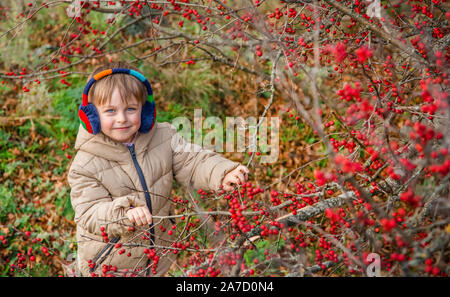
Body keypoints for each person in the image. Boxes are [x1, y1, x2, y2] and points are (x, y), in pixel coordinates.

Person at [68, 61, 249, 277]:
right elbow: (90, 213)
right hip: (109, 264)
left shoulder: (163, 137)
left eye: (131, 109)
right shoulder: (85, 164)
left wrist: (222, 171)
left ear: (145, 111)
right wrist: (124, 213)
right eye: (110, 111)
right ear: (92, 117)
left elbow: (193, 162)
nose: (121, 119)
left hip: (157, 258)